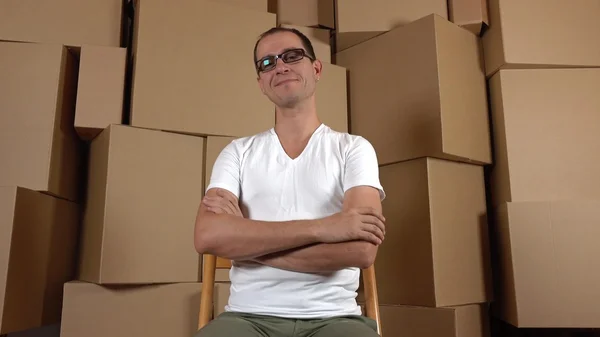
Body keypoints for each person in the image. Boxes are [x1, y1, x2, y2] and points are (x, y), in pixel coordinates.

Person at [193, 27, 386, 337]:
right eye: (267, 63)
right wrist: (323, 227)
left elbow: (361, 252)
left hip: (335, 319)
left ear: (317, 68)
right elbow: (206, 237)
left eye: (292, 56)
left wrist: (246, 244)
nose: (280, 66)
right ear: (261, 84)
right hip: (246, 318)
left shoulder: (354, 149)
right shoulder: (237, 153)